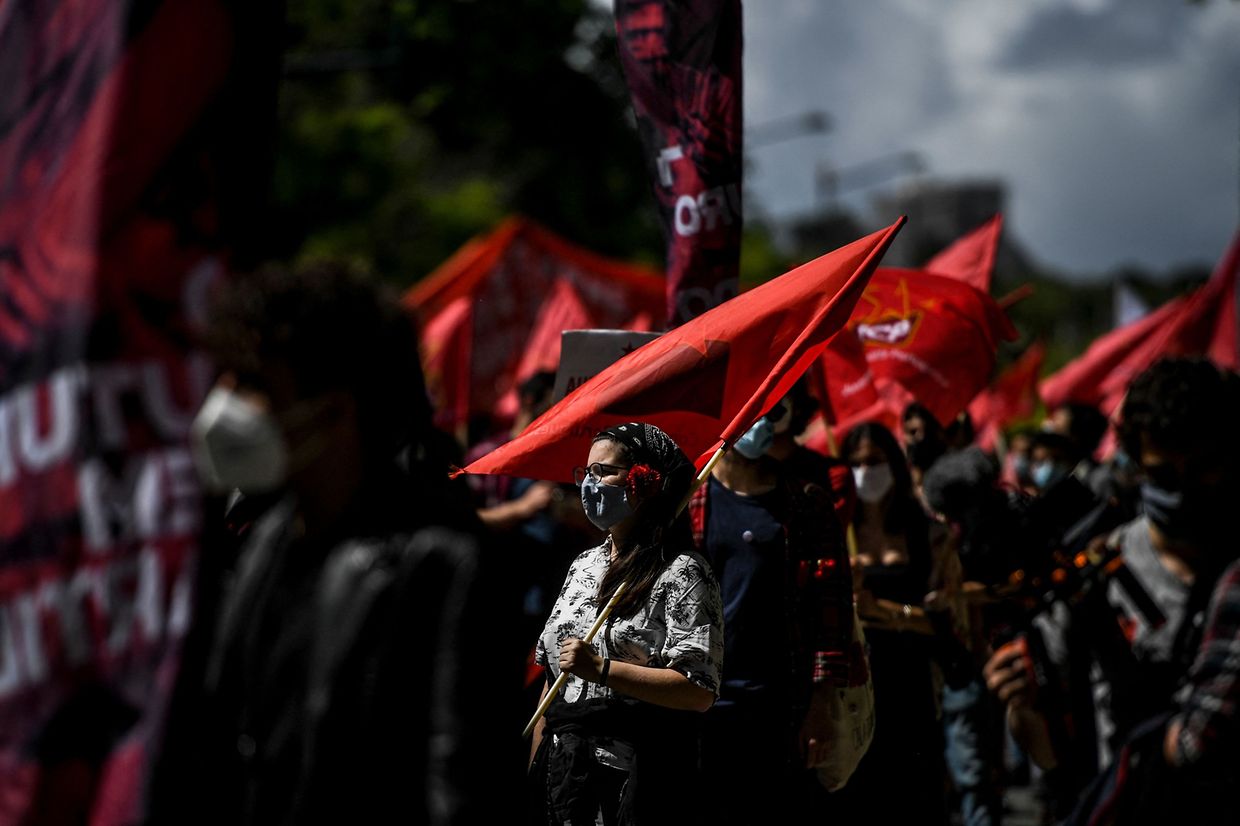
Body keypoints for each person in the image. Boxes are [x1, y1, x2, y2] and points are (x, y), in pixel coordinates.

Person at [149, 262, 515, 825]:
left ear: (335, 410)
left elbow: (459, 783)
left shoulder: (441, 564)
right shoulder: (267, 544)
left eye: (253, 386)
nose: (223, 407)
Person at [983, 358, 1240, 816]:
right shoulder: (1094, 573)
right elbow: (1050, 753)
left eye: (1202, 469)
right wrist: (1020, 702)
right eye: (1163, 475)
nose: (1182, 491)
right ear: (1137, 464)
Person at [528, 423, 724, 826]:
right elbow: (554, 676)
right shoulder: (583, 564)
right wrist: (536, 763)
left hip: (635, 779)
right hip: (563, 775)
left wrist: (602, 669)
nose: (590, 484)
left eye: (604, 472)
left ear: (645, 480)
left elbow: (699, 689)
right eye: (586, 473)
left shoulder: (683, 572)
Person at [688, 399, 856, 825]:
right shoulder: (687, 503)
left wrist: (821, 704)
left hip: (780, 705)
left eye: (773, 412)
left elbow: (830, 612)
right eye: (750, 412)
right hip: (700, 703)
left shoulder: (806, 504)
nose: (760, 424)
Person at [836, 421, 948, 825]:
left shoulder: (924, 531)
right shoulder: (836, 530)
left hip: (911, 680)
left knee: (914, 793)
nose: (865, 471)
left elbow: (945, 622)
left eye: (876, 462)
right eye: (856, 463)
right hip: (857, 681)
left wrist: (883, 610)